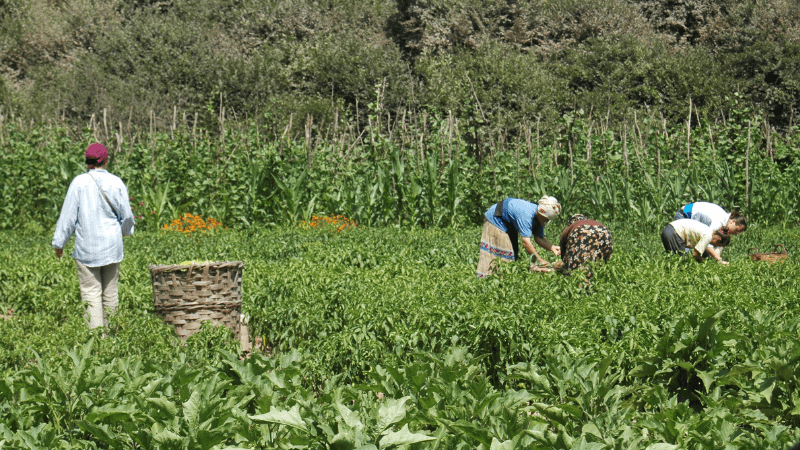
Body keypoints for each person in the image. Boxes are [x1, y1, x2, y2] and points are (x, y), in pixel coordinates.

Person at [52, 143, 135, 329]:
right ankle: (112, 338)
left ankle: (97, 341)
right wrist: (125, 232)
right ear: (106, 160)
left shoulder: (79, 183)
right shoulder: (116, 182)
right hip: (112, 247)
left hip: (87, 248)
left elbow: (68, 217)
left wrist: (59, 243)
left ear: (87, 162)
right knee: (111, 293)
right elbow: (127, 216)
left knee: (91, 293)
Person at [477, 196, 561, 278]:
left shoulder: (540, 218)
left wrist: (552, 247)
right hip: (496, 219)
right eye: (546, 219)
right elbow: (525, 242)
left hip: (508, 223)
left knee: (512, 253)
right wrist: (539, 260)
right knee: (504, 254)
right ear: (541, 212)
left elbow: (539, 237)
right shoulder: (526, 215)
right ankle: (486, 279)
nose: (547, 221)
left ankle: (502, 280)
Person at [558, 214, 613, 278]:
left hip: (581, 231)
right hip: (605, 231)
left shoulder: (573, 226)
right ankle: (600, 278)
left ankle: (581, 283)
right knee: (601, 262)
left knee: (573, 269)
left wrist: (565, 264)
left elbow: (564, 248)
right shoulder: (593, 222)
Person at [661, 218, 731, 264]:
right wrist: (705, 263)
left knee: (674, 261)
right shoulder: (708, 236)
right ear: (718, 239)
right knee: (680, 263)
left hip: (669, 230)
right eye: (717, 245)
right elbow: (695, 254)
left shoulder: (708, 231)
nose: (714, 246)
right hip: (674, 233)